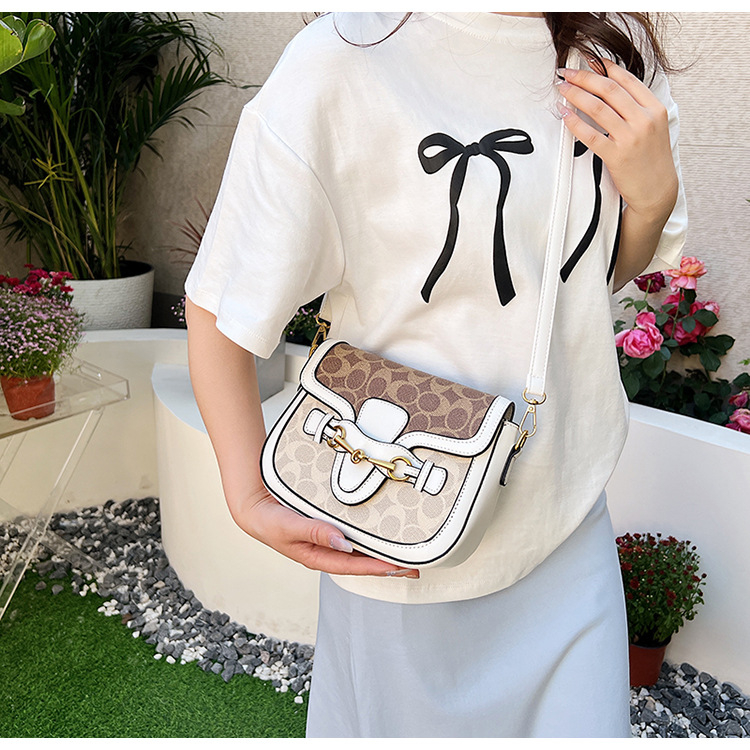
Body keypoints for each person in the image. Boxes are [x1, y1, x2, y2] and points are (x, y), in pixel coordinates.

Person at [184, 12, 687, 738]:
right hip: (401, 538)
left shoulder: (613, 51)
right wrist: (246, 491)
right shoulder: (346, 58)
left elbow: (585, 279)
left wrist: (652, 198)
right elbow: (220, 298)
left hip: (568, 532)